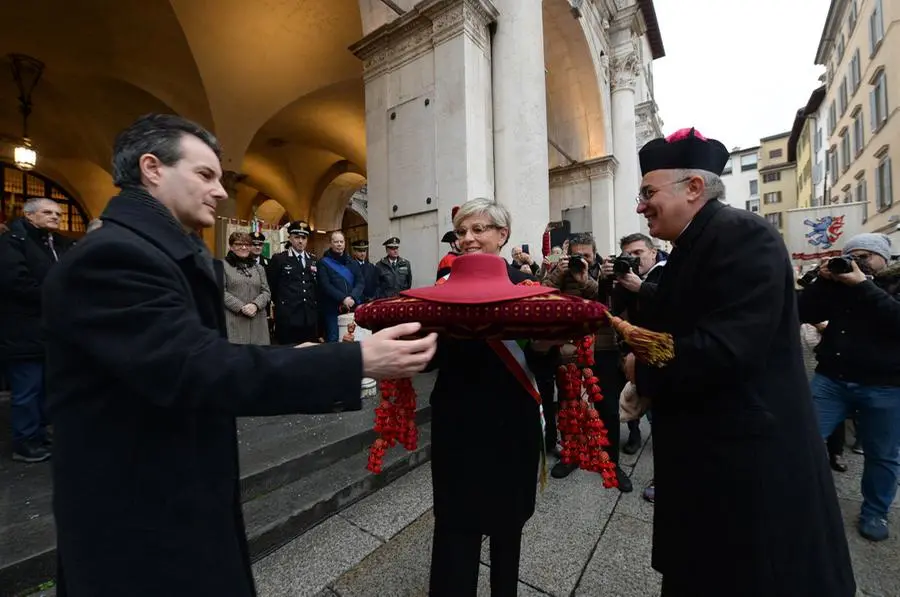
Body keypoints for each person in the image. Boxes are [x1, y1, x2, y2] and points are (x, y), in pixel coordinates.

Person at [41, 113, 437, 597]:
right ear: (152, 168)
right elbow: (195, 368)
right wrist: (352, 360)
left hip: (171, 496)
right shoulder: (114, 258)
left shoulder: (159, 251)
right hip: (139, 516)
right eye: (204, 174)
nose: (221, 191)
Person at [628, 127, 855, 596]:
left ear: (693, 189)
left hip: (745, 462)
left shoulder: (742, 235)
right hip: (712, 451)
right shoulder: (696, 242)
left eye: (649, 193)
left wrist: (643, 371)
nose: (639, 205)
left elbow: (725, 348)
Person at [424, 198, 555, 597]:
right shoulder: (441, 289)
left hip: (511, 420)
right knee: (454, 523)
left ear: (503, 234)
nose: (468, 238)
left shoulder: (527, 289)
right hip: (457, 419)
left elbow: (538, 361)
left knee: (507, 521)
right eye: (462, 231)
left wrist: (548, 347)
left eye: (478, 229)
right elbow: (433, 358)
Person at [798, 232, 900, 542]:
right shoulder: (840, 285)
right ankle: (799, 504)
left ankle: (875, 511)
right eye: (853, 254)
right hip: (833, 379)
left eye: (866, 255)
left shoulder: (891, 284)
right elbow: (803, 312)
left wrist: (863, 285)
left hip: (886, 385)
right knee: (804, 442)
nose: (859, 261)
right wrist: (822, 281)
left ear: (884, 258)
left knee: (882, 454)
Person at [0, 197, 73, 462]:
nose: (56, 217)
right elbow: (14, 282)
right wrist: (56, 296)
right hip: (22, 330)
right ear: (29, 216)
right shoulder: (13, 243)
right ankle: (25, 442)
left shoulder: (53, 243)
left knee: (42, 387)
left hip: (46, 330)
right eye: (48, 212)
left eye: (58, 213)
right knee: (26, 389)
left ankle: (38, 433)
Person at [268, 221, 320, 345]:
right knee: (288, 353)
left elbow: (315, 286)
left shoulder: (312, 259)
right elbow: (272, 286)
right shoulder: (280, 259)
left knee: (308, 352)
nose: (300, 241)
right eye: (297, 237)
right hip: (288, 316)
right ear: (290, 238)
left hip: (308, 316)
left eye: (304, 238)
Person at [221, 231, 271, 345]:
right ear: (231, 247)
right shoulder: (222, 265)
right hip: (234, 320)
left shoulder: (259, 268)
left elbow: (266, 292)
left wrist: (255, 305)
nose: (243, 247)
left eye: (247, 244)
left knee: (259, 359)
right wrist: (241, 307)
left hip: (257, 323)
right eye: (239, 244)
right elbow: (220, 291)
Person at [318, 230, 364, 341]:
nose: (339, 244)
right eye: (336, 242)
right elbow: (326, 285)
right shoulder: (323, 263)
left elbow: (360, 282)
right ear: (331, 243)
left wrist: (353, 297)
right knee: (334, 339)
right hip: (332, 309)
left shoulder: (352, 262)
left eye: (341, 242)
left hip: (352, 305)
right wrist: (343, 298)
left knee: (355, 338)